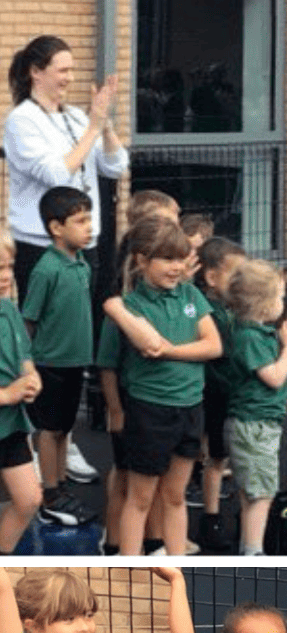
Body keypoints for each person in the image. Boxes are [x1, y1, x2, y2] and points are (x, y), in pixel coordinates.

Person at [99, 216, 222, 555]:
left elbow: (213, 345)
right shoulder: (131, 305)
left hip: (190, 409)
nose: (177, 267)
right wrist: (116, 309)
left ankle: (178, 563)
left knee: (175, 495)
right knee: (140, 498)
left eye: (181, 259)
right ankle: (128, 565)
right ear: (141, 260)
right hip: (149, 411)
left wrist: (170, 350)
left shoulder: (191, 294)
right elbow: (145, 343)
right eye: (167, 259)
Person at [5, 35, 128, 298]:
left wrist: (104, 127)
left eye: (72, 70)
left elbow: (115, 167)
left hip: (85, 240)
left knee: (83, 324)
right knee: (49, 328)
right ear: (36, 72)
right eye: (63, 70)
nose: (70, 78)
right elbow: (57, 175)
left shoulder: (75, 116)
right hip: (42, 243)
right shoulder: (22, 120)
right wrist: (93, 127)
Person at [95, 190, 183, 556]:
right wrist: (115, 409)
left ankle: (153, 540)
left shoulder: (173, 294)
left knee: (154, 482)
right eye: (169, 219)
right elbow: (108, 364)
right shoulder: (123, 305)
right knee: (127, 478)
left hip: (161, 404)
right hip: (135, 404)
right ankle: (114, 542)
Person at [222, 259, 287, 556]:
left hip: (256, 425)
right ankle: (253, 550)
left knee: (253, 492)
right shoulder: (250, 337)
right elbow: (274, 377)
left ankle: (250, 545)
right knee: (262, 493)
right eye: (280, 297)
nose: (283, 303)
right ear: (262, 304)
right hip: (254, 425)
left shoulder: (252, 332)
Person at [23, 185, 96, 527]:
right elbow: (29, 321)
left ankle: (62, 486)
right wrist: (26, 368)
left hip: (74, 363)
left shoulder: (81, 264)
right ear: (56, 228)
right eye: (80, 221)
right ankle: (50, 494)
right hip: (49, 365)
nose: (89, 226)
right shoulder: (46, 270)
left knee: (65, 429)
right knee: (49, 430)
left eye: (89, 219)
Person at [194, 236, 246, 552]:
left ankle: (244, 517)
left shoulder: (234, 309)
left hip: (235, 395)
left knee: (236, 458)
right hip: (216, 395)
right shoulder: (208, 312)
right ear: (212, 278)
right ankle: (210, 519)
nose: (241, 283)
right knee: (216, 458)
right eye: (234, 275)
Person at [0, 227, 42, 552]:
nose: (5, 276)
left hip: (10, 427)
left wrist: (30, 377)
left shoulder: (9, 310)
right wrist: (6, 395)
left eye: (8, 267)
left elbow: (24, 354)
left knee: (29, 499)